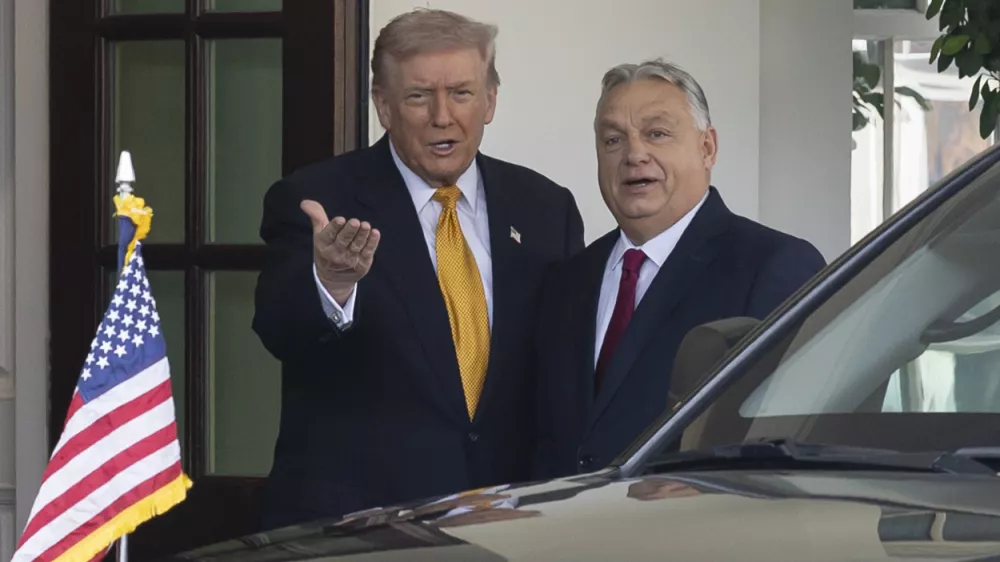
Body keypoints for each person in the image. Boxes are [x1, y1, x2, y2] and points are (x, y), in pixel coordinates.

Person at [253, 8, 584, 530]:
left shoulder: (546, 208)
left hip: (504, 520)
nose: (442, 115)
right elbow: (278, 328)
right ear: (383, 106)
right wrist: (333, 283)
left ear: (490, 100)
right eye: (418, 96)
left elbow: (563, 366)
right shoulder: (319, 199)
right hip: (361, 526)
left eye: (461, 92)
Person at [530, 59, 826, 480]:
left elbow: (794, 438)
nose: (634, 154)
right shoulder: (567, 280)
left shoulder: (775, 266)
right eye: (613, 140)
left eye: (657, 134)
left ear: (707, 148)